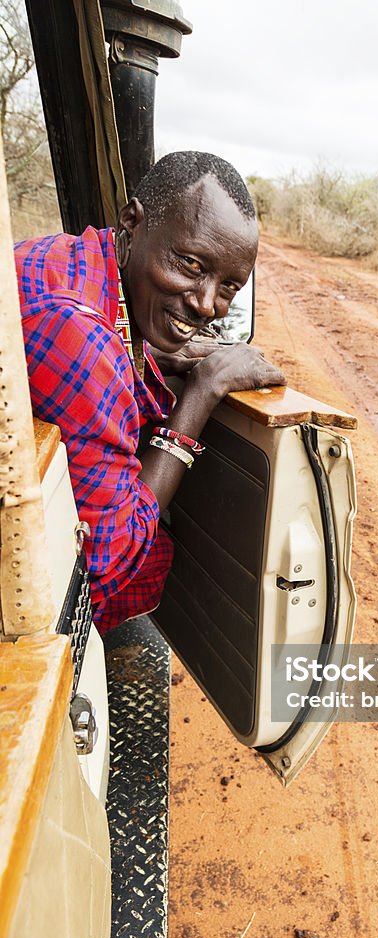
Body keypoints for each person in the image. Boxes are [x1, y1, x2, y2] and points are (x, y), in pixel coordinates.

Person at [15, 151, 285, 633]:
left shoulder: (74, 262)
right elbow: (107, 568)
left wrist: (147, 356)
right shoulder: (81, 338)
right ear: (132, 222)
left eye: (228, 287)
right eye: (189, 263)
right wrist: (203, 391)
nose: (206, 304)